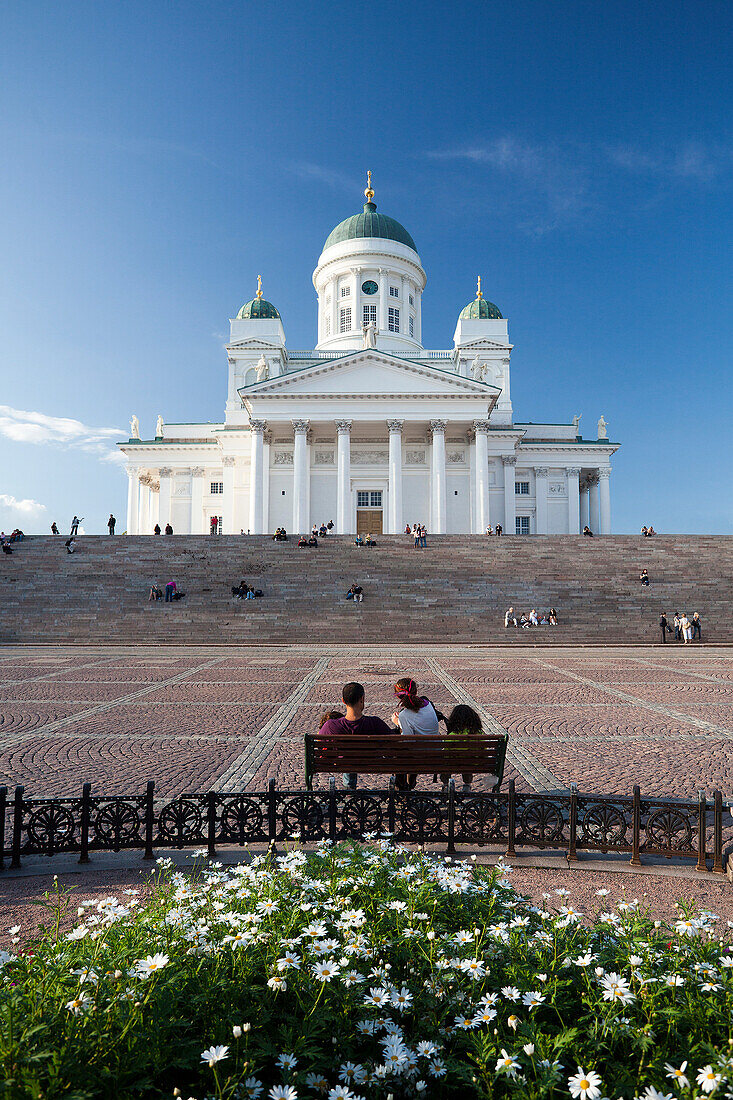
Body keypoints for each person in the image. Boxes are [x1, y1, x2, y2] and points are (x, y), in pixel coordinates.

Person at [319, 682, 397, 790]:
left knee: (347, 758)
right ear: (362, 699)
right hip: (370, 763)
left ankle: (349, 786)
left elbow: (319, 743)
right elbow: (394, 741)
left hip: (342, 764)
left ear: (343, 701)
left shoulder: (331, 725)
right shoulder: (375, 723)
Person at [391, 677, 441, 791]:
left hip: (420, 757)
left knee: (399, 752)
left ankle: (401, 788)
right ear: (416, 692)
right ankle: (410, 783)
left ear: (398, 696)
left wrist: (398, 722)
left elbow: (408, 742)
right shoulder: (428, 705)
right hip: (435, 753)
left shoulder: (405, 715)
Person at [440, 703, 484, 791]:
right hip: (473, 762)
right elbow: (483, 751)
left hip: (452, 763)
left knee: (446, 763)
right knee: (468, 761)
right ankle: (467, 785)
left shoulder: (452, 736)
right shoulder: (479, 734)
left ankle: (446, 785)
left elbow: (446, 754)